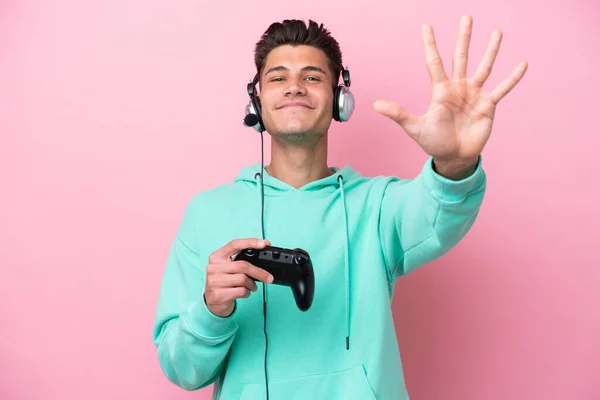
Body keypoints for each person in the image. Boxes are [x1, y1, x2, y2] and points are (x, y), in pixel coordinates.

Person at [152, 17, 527, 400]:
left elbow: (440, 212)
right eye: (278, 77)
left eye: (312, 77)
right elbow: (182, 369)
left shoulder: (379, 205)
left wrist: (455, 163)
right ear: (257, 99)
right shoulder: (207, 213)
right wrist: (210, 309)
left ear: (338, 100)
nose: (295, 86)